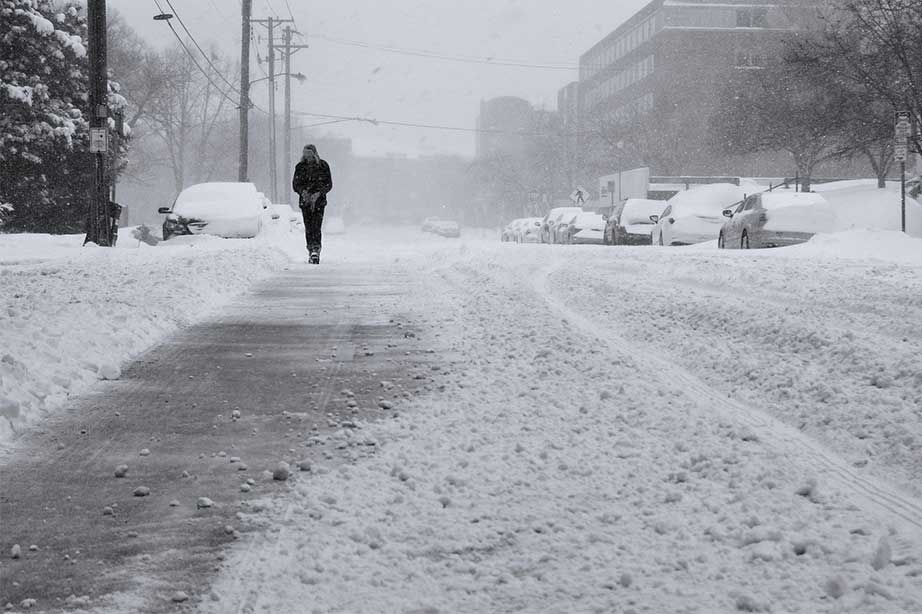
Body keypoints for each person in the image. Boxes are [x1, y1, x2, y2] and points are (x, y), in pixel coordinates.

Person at [291, 144, 333, 264]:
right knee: (308, 226)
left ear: (314, 153)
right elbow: (295, 184)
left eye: (309, 153)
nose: (307, 156)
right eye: (305, 153)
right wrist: (303, 192)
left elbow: (329, 184)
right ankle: (310, 249)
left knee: (316, 226)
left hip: (319, 202)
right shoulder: (300, 167)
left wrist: (319, 193)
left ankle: (316, 249)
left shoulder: (323, 166)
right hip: (305, 202)